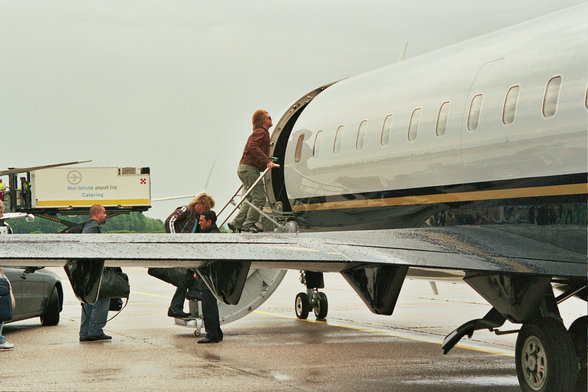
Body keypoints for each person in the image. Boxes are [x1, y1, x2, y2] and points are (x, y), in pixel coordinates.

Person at [165, 193, 215, 318]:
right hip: (179, 248)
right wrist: (176, 240)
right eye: (204, 208)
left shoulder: (197, 217)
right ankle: (190, 295)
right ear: (199, 203)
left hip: (187, 250)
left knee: (185, 277)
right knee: (188, 274)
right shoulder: (185, 209)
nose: (203, 211)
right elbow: (169, 221)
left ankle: (176, 307)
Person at [228, 109, 278, 233]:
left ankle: (236, 223)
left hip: (245, 168)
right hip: (249, 169)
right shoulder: (261, 132)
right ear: (263, 121)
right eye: (269, 117)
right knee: (260, 197)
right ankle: (249, 223)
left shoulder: (260, 132)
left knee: (250, 198)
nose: (271, 119)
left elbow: (254, 148)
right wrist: (267, 161)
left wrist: (267, 158)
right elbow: (252, 146)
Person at [79, 204, 112, 342]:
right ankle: (95, 331)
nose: (106, 215)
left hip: (88, 271)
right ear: (97, 213)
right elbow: (87, 241)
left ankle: (86, 332)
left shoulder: (89, 225)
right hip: (94, 270)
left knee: (89, 301)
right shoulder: (93, 226)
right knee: (102, 298)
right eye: (104, 213)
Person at [196, 210, 223, 344]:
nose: (199, 222)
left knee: (208, 305)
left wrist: (199, 270)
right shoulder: (213, 234)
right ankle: (217, 332)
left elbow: (209, 258)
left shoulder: (211, 236)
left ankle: (212, 334)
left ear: (209, 222)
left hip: (209, 276)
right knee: (211, 305)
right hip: (212, 275)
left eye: (201, 220)